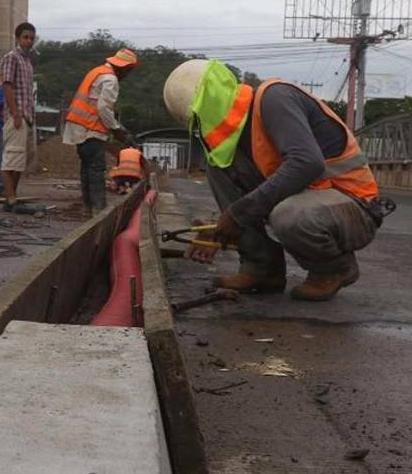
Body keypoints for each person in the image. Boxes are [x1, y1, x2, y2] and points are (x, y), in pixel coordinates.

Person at [163, 59, 385, 301]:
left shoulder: (275, 98)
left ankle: (334, 269)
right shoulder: (235, 139)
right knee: (218, 166)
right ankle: (262, 269)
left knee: (289, 216)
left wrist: (237, 215)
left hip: (352, 205)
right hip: (309, 198)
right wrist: (218, 228)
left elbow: (306, 164)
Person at [63, 48, 139, 214]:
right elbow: (103, 108)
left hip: (77, 126)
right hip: (90, 129)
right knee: (96, 168)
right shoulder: (111, 80)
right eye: (129, 71)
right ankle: (99, 209)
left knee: (86, 167)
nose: (127, 75)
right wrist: (117, 129)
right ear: (124, 68)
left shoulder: (97, 71)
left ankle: (87, 206)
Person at [0, 22, 36, 211]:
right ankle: (11, 198)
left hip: (27, 117)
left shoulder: (27, 62)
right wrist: (15, 114)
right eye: (25, 37)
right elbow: (7, 85)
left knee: (20, 162)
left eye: (31, 38)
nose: (29, 41)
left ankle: (11, 197)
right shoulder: (11, 58)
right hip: (17, 116)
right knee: (11, 160)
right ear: (17, 38)